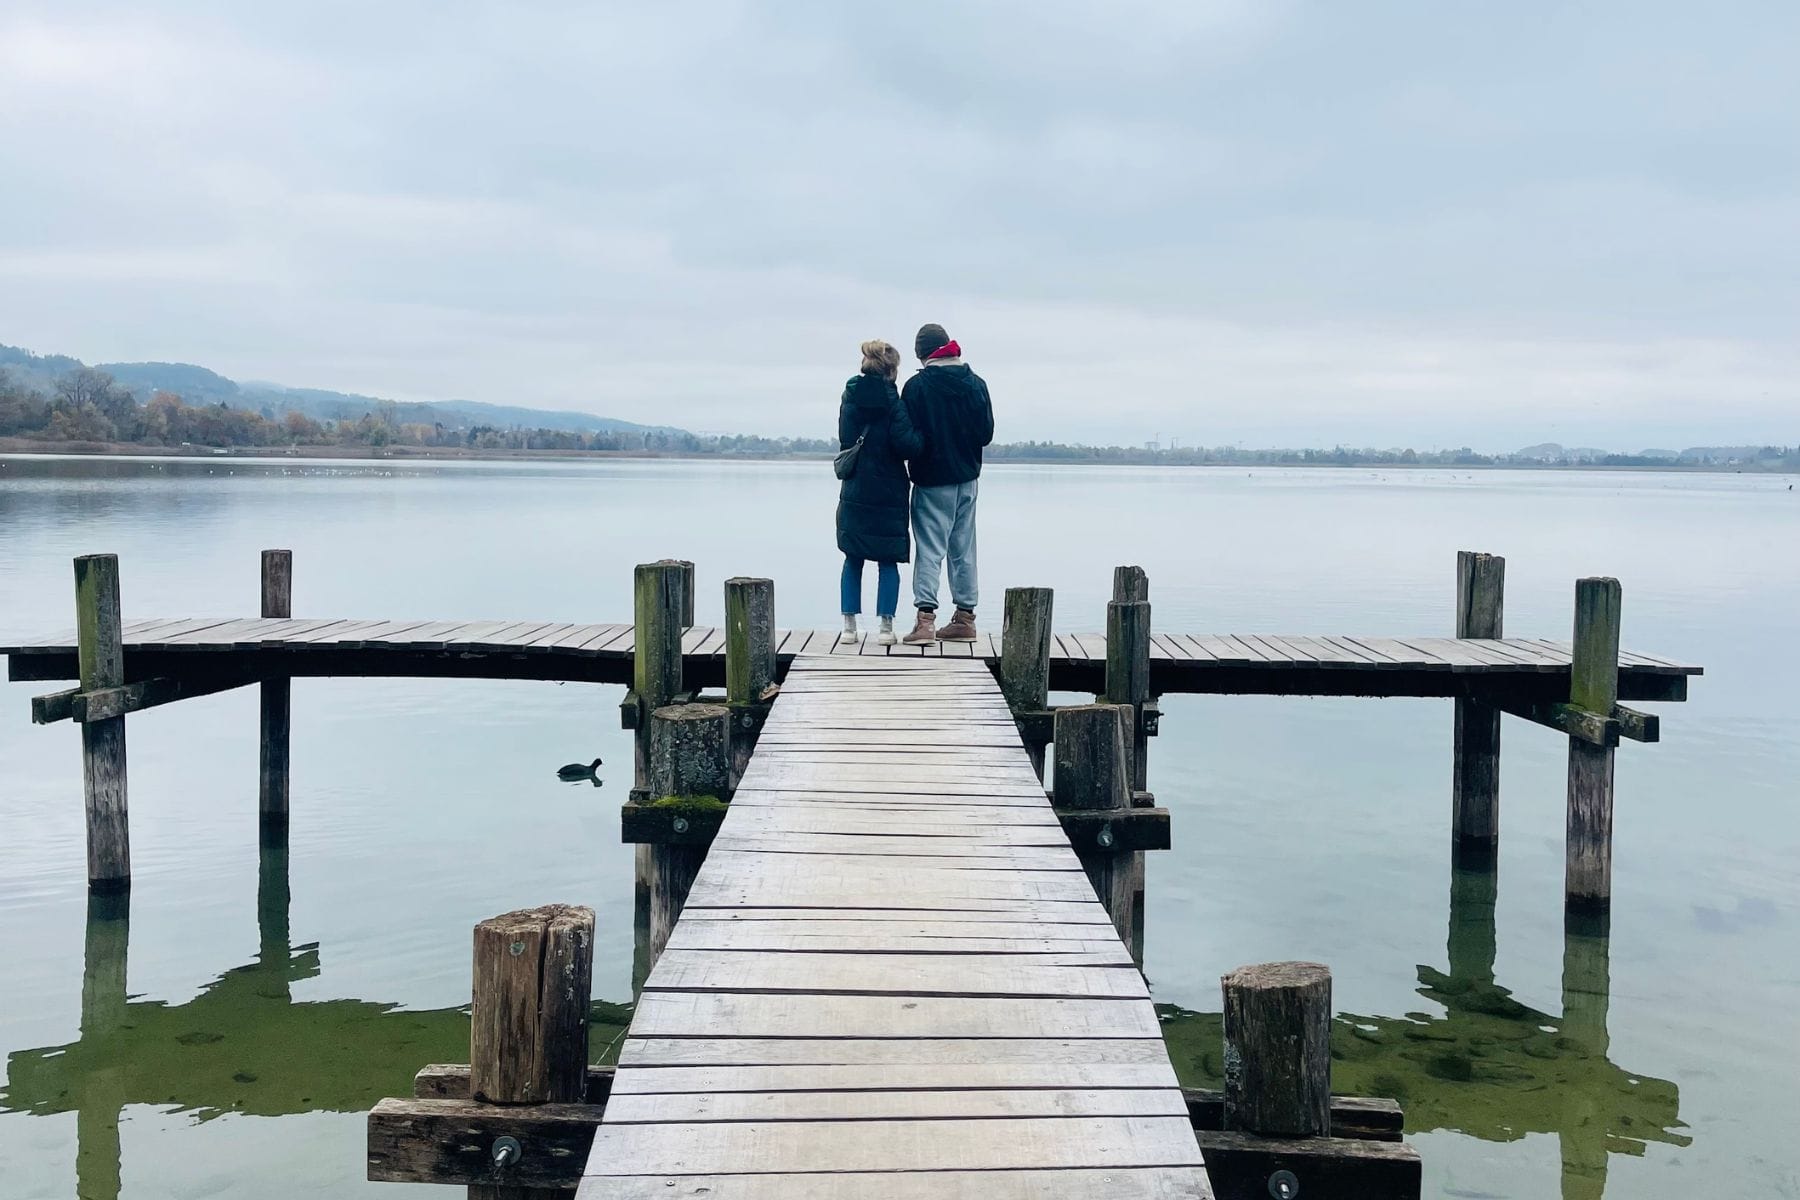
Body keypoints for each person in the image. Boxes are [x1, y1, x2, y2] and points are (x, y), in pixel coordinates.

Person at [900, 323, 993, 643]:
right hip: (968, 479)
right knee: (964, 548)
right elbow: (985, 434)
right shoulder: (977, 384)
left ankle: (925, 621)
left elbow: (908, 438)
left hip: (931, 479)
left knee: (930, 548)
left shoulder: (916, 387)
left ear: (923, 354)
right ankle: (965, 619)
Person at [836, 339, 924, 645]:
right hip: (889, 490)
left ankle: (849, 628)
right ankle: (886, 628)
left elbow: (846, 439)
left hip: (857, 486)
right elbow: (907, 445)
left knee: (853, 558)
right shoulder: (895, 404)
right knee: (887, 561)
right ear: (892, 371)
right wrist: (921, 435)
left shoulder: (849, 398)